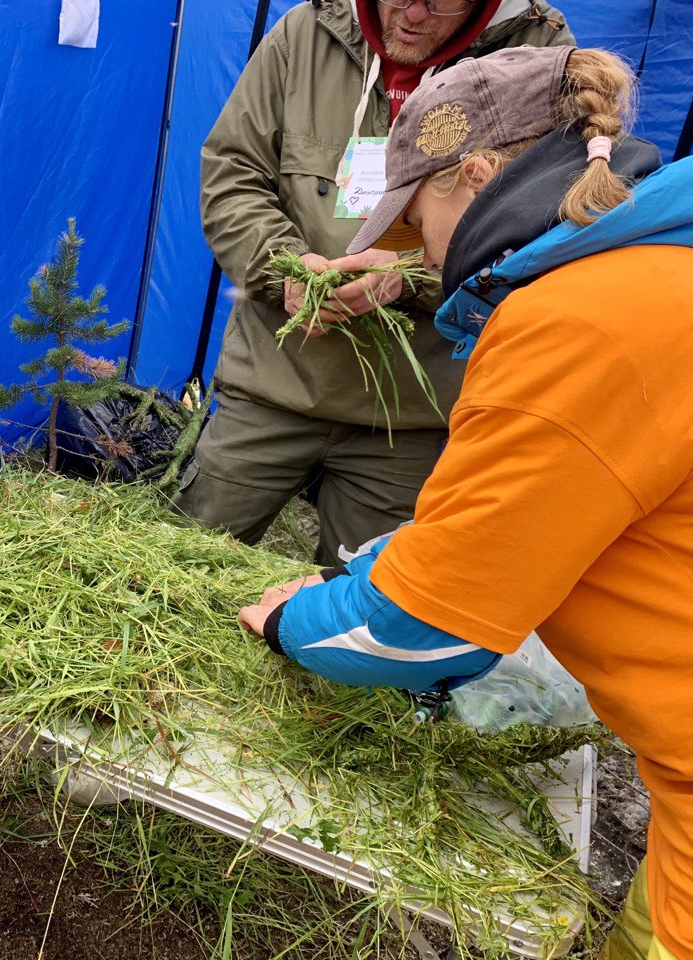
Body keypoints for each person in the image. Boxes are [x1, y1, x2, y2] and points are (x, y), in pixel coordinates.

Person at [238, 44, 690, 960]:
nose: (422, 259)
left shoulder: (576, 320)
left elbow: (416, 631)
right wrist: (411, 553)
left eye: (417, 225)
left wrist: (293, 617)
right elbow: (564, 511)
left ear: (473, 176)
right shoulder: (654, 257)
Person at [173, 0, 573, 564]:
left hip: (410, 412)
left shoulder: (538, 61)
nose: (411, 13)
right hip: (275, 378)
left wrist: (407, 280)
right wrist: (284, 269)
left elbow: (541, 234)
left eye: (440, 2)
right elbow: (233, 171)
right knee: (180, 568)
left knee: (356, 612)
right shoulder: (306, 31)